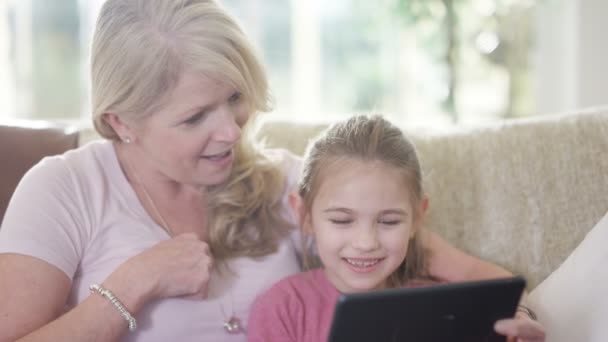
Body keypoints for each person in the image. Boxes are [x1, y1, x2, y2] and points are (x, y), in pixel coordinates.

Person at [0, 1, 534, 341]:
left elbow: (466, 276)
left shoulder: (290, 185)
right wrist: (132, 284)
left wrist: (523, 318)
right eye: (194, 117)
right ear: (121, 122)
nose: (233, 131)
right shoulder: (64, 190)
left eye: (235, 98)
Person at [247, 115, 546, 342]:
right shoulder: (283, 308)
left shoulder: (446, 307)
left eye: (389, 221)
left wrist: (520, 326)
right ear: (305, 216)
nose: (366, 242)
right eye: (341, 220)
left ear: (417, 219)